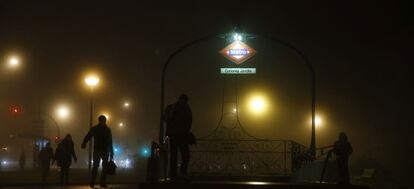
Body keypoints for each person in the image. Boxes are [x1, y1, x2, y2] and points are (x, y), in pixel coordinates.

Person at [165, 94, 192, 180]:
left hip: (175, 134)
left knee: (175, 155)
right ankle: (181, 173)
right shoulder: (186, 108)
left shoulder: (172, 107)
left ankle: (174, 174)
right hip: (181, 134)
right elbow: (189, 122)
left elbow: (165, 118)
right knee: (184, 155)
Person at [82, 115, 114, 188]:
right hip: (101, 150)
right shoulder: (106, 129)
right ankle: (97, 182)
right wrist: (84, 143)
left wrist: (84, 143)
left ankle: (97, 182)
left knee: (99, 167)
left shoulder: (97, 129)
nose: (103, 122)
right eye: (103, 120)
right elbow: (88, 136)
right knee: (98, 167)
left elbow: (88, 136)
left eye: (104, 120)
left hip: (101, 150)